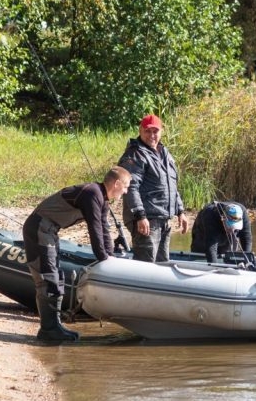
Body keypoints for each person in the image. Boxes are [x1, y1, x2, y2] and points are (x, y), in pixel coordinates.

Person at [22, 166, 131, 343]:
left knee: (58, 278)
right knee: (48, 279)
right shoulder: (92, 194)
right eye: (125, 187)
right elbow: (94, 231)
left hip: (50, 231)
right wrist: (104, 258)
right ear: (117, 183)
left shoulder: (101, 199)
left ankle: (54, 326)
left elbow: (104, 231)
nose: (126, 192)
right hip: (39, 228)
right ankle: (48, 330)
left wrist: (110, 258)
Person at [118, 113, 188, 262]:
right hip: (147, 219)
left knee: (163, 265)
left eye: (155, 131)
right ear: (140, 131)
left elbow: (171, 185)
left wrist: (180, 211)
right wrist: (140, 216)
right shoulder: (135, 154)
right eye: (147, 131)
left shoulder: (165, 153)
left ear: (161, 132)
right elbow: (131, 187)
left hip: (164, 218)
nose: (152, 135)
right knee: (146, 267)